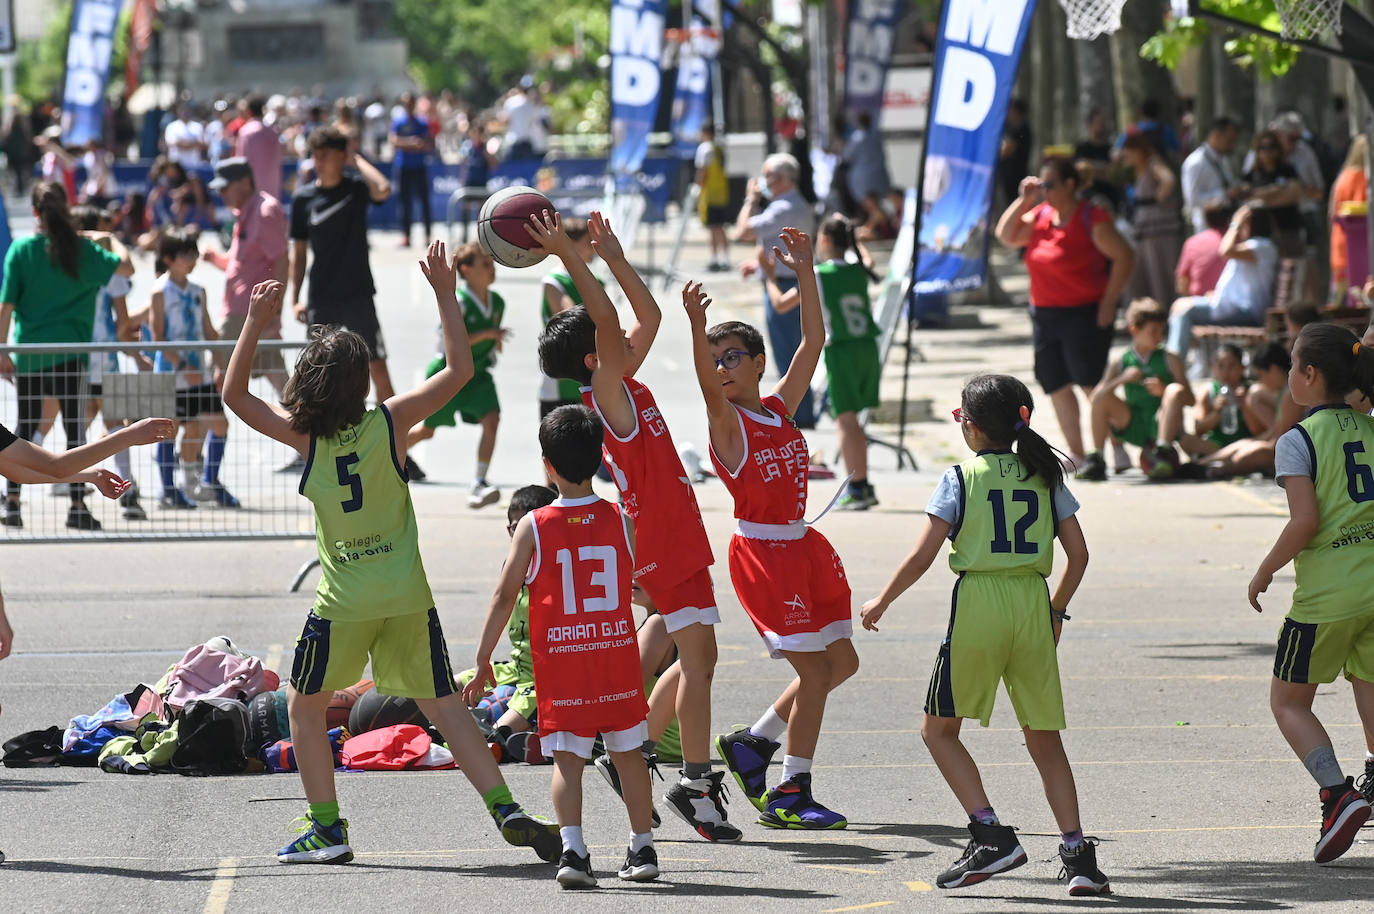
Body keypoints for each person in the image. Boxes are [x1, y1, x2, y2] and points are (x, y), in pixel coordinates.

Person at [222, 255, 559, 866]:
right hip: (406, 594)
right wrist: (446, 295)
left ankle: (327, 828)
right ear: (361, 383)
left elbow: (234, 395)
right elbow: (459, 369)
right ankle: (506, 808)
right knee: (446, 708)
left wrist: (254, 321)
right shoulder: (391, 422)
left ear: (311, 381)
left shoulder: (309, 440)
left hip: (345, 600)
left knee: (304, 707)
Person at [530, 210, 740, 842]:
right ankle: (694, 783)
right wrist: (571, 257)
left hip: (666, 533)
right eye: (607, 332)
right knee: (699, 657)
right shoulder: (608, 391)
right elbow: (608, 318)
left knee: (682, 645)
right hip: (663, 539)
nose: (623, 331)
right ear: (596, 357)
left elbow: (647, 317)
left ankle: (636, 747)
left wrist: (615, 256)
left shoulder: (620, 381)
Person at [860, 374, 1108, 896]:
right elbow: (1079, 556)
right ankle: (1078, 855)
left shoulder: (960, 477)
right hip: (1032, 601)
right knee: (1043, 735)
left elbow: (923, 555)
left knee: (938, 730)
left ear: (970, 426)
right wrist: (1056, 612)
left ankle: (991, 834)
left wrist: (882, 599)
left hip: (980, 603)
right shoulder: (1047, 474)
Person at [687, 229, 859, 829]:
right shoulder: (728, 425)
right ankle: (792, 789)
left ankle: (753, 743)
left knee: (842, 664)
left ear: (759, 362)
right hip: (763, 551)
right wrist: (693, 328)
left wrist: (805, 271)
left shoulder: (778, 408)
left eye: (732, 356)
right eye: (714, 361)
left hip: (803, 546)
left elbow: (814, 339)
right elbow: (709, 388)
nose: (722, 368)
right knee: (814, 673)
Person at [464, 405, 658, 888]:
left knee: (568, 761)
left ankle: (574, 851)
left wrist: (484, 656)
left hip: (563, 664)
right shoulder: (622, 519)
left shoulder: (534, 525)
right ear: (599, 459)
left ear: (546, 465)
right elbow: (641, 584)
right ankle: (643, 847)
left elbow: (505, 593)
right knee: (629, 755)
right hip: (614, 656)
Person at [1247, 322, 1374, 864]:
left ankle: (1336, 794)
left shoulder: (1297, 440)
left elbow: (1304, 522)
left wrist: (1265, 570)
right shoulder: (1371, 427)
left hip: (1328, 596)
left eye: (1294, 366)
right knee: (1368, 681)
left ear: (1308, 374)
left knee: (1288, 701)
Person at [0, 181, 136, 530]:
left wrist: (1, 349)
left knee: (24, 429)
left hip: (30, 352)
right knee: (74, 430)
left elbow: (7, 305)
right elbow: (127, 267)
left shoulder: (22, 250)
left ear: (35, 212)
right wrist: (101, 237)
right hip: (72, 354)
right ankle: (77, 506)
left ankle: (12, 502)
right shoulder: (81, 249)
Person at [994, 158, 1135, 467]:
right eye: (1041, 185)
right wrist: (1024, 200)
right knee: (1056, 382)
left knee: (1089, 382)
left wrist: (1109, 302)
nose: (1045, 191)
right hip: (1045, 313)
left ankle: (1119, 442)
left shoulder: (1091, 218)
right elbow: (1006, 235)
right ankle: (1079, 454)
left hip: (1084, 313)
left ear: (1070, 184)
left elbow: (1124, 257)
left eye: (1050, 185)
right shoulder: (1041, 215)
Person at [289, 127, 404, 459]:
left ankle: (397, 445)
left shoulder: (355, 188)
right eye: (316, 154)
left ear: (341, 157)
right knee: (316, 371)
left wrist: (356, 159)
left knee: (377, 367)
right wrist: (296, 297)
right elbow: (299, 252)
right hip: (321, 295)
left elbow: (383, 188)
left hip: (356, 294)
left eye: (327, 154)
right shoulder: (303, 198)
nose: (319, 160)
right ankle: (309, 443)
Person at [760, 214, 880, 509]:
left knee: (846, 420)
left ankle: (859, 487)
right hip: (867, 347)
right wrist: (857, 241)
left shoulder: (819, 273)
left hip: (842, 350)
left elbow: (781, 304)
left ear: (824, 241)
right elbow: (868, 260)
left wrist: (770, 279)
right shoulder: (858, 269)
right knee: (854, 421)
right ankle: (863, 484)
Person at [406, 242, 508, 507]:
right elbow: (445, 341)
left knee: (493, 420)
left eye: (492, 263)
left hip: (478, 374)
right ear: (465, 269)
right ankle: (380, 456)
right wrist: (487, 335)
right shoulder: (460, 302)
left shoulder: (497, 302)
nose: (492, 268)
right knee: (427, 431)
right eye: (485, 264)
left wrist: (492, 344)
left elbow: (489, 337)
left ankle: (479, 482)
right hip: (449, 373)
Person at [458, 484, 556, 747]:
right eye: (516, 528)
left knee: (493, 739)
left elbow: (501, 603)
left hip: (547, 680)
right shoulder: (511, 566)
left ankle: (532, 735)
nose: (524, 535)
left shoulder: (559, 567)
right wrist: (483, 663)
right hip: (517, 668)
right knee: (445, 690)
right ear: (509, 530)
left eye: (533, 528)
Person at [149, 227, 238, 509]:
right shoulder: (160, 291)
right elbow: (159, 338)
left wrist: (220, 365)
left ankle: (204, 482)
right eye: (186, 254)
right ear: (168, 258)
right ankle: (167, 489)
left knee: (211, 426)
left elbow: (209, 331)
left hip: (198, 374)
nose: (193, 258)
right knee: (168, 430)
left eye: (194, 252)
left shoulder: (198, 289)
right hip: (171, 375)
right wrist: (182, 364)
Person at [70, 205, 147, 520]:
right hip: (106, 357)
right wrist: (135, 353)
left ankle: (61, 478)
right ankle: (126, 493)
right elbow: (123, 322)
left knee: (76, 422)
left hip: (77, 356)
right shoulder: (110, 270)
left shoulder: (71, 267)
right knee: (116, 423)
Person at [734, 154, 819, 427]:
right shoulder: (795, 204)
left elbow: (743, 231)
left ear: (781, 179)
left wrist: (751, 199)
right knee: (793, 346)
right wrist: (758, 267)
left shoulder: (783, 206)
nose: (763, 181)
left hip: (783, 282)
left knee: (788, 350)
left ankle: (796, 413)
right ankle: (800, 411)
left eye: (767, 176)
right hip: (786, 278)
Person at [202, 157, 289, 399]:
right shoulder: (245, 212)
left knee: (211, 383)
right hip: (246, 310)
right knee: (282, 383)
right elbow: (238, 262)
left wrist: (275, 310)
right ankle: (311, 429)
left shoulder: (264, 211)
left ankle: (203, 433)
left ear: (245, 183)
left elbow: (282, 260)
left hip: (246, 313)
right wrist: (214, 259)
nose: (221, 193)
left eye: (224, 187)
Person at [1080, 298, 1192, 480]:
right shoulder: (1121, 361)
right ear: (1134, 329)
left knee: (1174, 390)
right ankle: (1097, 458)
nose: (1159, 337)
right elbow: (1095, 398)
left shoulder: (1170, 358)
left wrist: (1164, 390)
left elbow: (1190, 400)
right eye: (1153, 331)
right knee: (1103, 396)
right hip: (1134, 424)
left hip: (1162, 421)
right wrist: (1121, 380)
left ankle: (1162, 451)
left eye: (1162, 331)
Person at [1165, 203, 1278, 362]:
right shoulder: (1255, 247)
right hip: (1235, 307)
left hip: (1247, 312)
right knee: (1179, 306)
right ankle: (1175, 359)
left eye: (1243, 222)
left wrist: (1235, 223)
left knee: (1183, 311)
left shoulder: (1262, 246)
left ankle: (1174, 360)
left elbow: (1225, 251)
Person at [538, 219, 599, 418]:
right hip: (562, 380)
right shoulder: (554, 281)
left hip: (592, 374)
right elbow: (574, 317)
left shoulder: (597, 282)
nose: (593, 248)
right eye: (587, 242)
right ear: (570, 245)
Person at [1121, 133, 1182, 310]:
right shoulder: (1139, 168)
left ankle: (1165, 309)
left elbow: (1168, 180)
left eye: (1131, 152)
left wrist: (1158, 198)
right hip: (1144, 225)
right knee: (1142, 270)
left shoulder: (1153, 162)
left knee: (1159, 269)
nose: (1128, 156)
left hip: (1157, 226)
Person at [1243, 129, 1311, 260]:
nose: (1267, 152)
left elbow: (1294, 194)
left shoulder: (1287, 170)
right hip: (1261, 235)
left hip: (1288, 229)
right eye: (1262, 148)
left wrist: (1263, 197)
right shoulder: (1252, 174)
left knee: (1291, 273)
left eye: (1271, 147)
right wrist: (1277, 190)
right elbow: (1247, 199)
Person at [1180, 342, 1251, 459]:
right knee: (1185, 440)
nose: (1226, 372)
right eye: (1221, 366)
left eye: (1232, 366)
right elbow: (1199, 429)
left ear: (1242, 368)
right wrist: (1216, 413)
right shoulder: (1208, 391)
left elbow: (1258, 430)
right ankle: (1225, 458)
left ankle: (1219, 460)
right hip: (1216, 446)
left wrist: (1245, 405)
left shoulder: (1250, 392)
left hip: (1243, 445)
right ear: (1213, 368)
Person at [1181, 116, 1243, 235]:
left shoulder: (1223, 160)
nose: (1232, 145)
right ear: (1216, 135)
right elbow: (1192, 199)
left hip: (1227, 224)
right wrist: (1224, 194)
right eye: (1229, 140)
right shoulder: (1196, 162)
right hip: (1206, 227)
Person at [389, 92, 434, 249]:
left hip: (419, 166)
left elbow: (429, 141)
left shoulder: (422, 122)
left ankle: (428, 235)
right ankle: (406, 236)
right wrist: (411, 144)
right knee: (404, 203)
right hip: (403, 166)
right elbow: (394, 140)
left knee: (424, 202)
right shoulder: (398, 121)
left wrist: (419, 145)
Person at [1329, 135, 1369, 298]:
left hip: (1340, 242)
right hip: (1355, 248)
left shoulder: (1344, 175)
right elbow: (1362, 210)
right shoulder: (1360, 177)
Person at [694, 124, 731, 272]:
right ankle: (724, 257)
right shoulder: (718, 148)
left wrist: (698, 188)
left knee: (713, 227)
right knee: (720, 227)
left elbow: (703, 170)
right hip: (721, 193)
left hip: (709, 194)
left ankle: (715, 258)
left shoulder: (705, 148)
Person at [1176, 201, 1231, 298]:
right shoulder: (1240, 241)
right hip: (1233, 301)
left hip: (1201, 301)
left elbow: (1182, 284)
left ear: (1206, 219)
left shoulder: (1192, 242)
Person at [235, 96, 283, 200]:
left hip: (252, 191)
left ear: (249, 111)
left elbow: (240, 162)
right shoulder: (273, 132)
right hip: (272, 188)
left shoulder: (246, 132)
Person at [997, 99, 1031, 208]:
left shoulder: (1023, 130)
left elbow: (1006, 151)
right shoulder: (1010, 129)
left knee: (1016, 206)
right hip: (1007, 177)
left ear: (1016, 111)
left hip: (1017, 176)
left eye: (1010, 110)